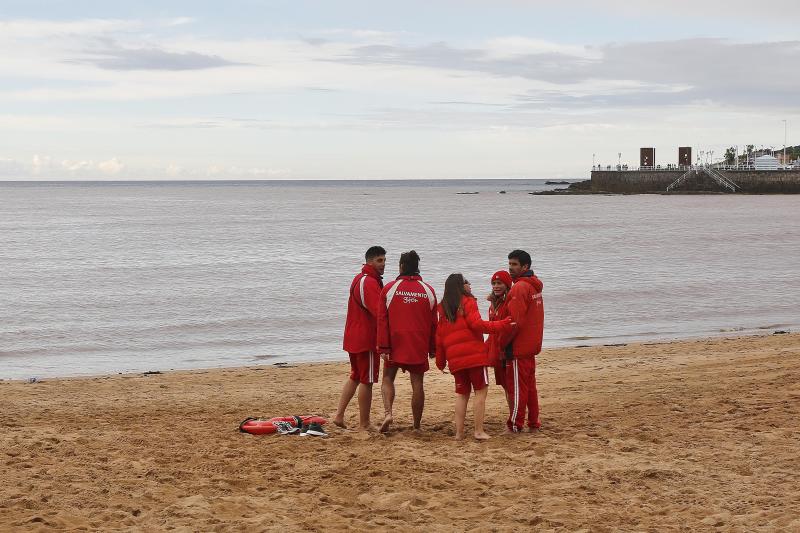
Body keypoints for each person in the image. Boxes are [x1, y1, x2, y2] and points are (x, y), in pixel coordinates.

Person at [435, 273, 512, 440]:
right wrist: (503, 324)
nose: (470, 285)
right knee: (480, 392)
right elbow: (477, 325)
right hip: (475, 357)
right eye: (466, 282)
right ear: (461, 286)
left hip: (455, 360)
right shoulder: (468, 301)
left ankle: (459, 433)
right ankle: (478, 431)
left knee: (462, 394)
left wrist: (441, 362)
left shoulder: (443, 308)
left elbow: (439, 337)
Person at [377, 250, 437, 432]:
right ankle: (417, 425)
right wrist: (433, 348)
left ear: (401, 266)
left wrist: (383, 346)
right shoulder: (428, 290)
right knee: (417, 383)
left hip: (395, 343)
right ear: (417, 267)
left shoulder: (389, 288)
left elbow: (382, 320)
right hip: (418, 343)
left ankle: (388, 413)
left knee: (387, 378)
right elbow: (434, 322)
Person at [334, 246, 386, 430]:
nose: (383, 264)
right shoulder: (368, 282)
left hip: (353, 337)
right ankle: (364, 423)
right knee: (367, 380)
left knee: (356, 376)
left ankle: (339, 415)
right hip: (366, 339)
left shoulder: (360, 279)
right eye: (379, 261)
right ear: (370, 261)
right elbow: (379, 313)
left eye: (384, 260)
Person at [504, 249, 545, 433]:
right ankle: (534, 422)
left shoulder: (520, 287)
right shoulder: (533, 286)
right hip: (531, 345)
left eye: (514, 264)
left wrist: (503, 343)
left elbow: (515, 322)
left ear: (525, 267)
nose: (510, 268)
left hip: (519, 347)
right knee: (530, 387)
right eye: (510, 264)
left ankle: (515, 424)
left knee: (518, 389)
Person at [485, 270, 514, 413]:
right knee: (505, 386)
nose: (496, 286)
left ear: (507, 285)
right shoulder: (492, 304)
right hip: (496, 350)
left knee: (510, 387)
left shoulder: (510, 302)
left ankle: (515, 417)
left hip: (506, 350)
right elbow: (491, 330)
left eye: (500, 283)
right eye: (494, 283)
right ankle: (513, 415)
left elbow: (511, 328)